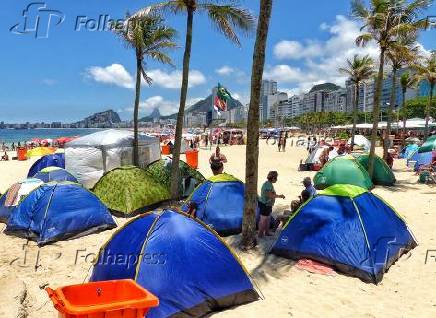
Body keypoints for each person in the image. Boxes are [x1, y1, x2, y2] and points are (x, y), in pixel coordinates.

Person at [258, 171, 285, 238]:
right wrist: (280, 196)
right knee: (263, 220)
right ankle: (260, 234)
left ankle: (266, 232)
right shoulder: (268, 185)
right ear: (272, 178)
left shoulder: (268, 184)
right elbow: (270, 195)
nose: (276, 180)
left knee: (268, 219)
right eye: (276, 178)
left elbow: (271, 194)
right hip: (265, 205)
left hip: (268, 205)